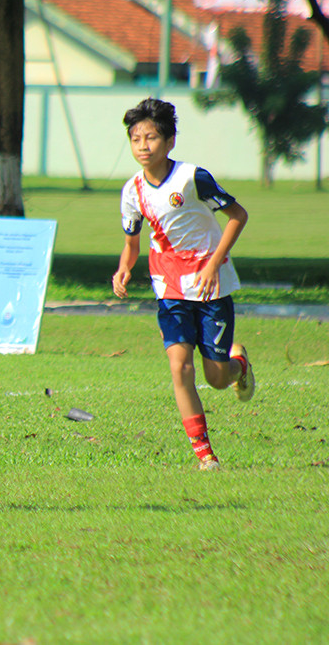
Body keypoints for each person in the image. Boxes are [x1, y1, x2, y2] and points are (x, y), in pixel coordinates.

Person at [111, 97, 255, 471]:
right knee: (180, 368)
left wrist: (212, 264)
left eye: (152, 138)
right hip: (169, 287)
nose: (144, 146)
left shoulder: (193, 178)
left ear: (170, 141)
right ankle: (205, 456)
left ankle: (238, 363)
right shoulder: (131, 192)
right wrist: (124, 269)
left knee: (217, 378)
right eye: (136, 139)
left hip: (211, 286)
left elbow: (238, 216)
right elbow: (131, 243)